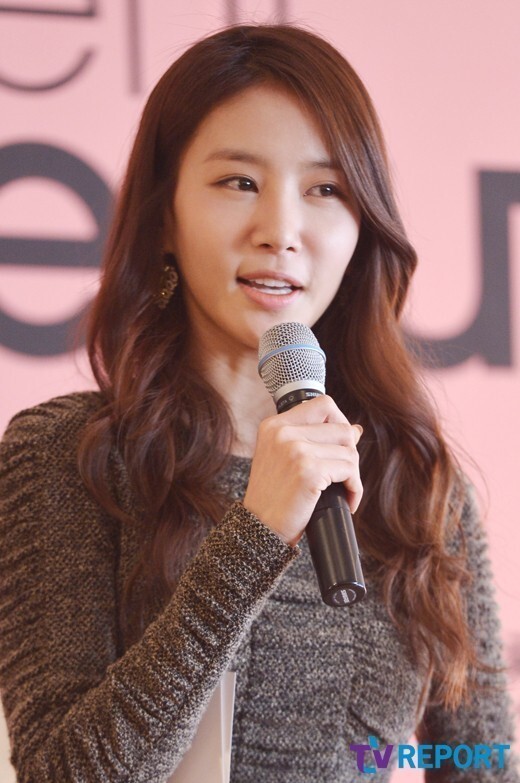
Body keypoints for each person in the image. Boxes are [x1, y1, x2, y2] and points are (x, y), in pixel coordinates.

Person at [0, 23, 517, 783]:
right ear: (165, 215)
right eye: (239, 182)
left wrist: (382, 762)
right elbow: (61, 771)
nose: (281, 230)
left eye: (325, 189)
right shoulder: (70, 455)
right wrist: (256, 533)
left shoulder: (414, 481)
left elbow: (480, 757)